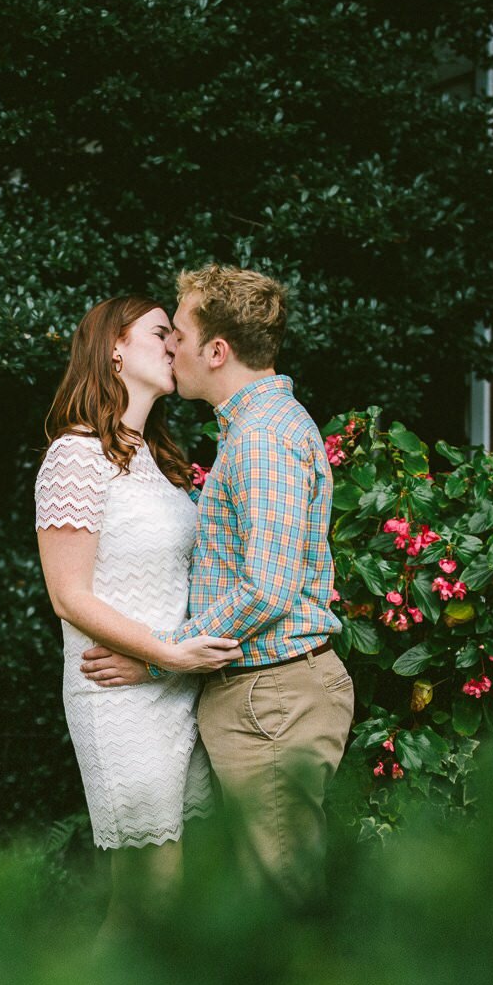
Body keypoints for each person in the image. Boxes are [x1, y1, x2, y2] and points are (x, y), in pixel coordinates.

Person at [81, 265, 352, 904]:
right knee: (269, 886)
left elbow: (267, 588)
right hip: (266, 696)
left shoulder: (261, 438)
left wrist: (159, 656)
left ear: (217, 351)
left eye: (177, 333)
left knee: (281, 893)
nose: (170, 344)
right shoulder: (254, 429)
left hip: (273, 695)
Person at [32, 294, 242, 931]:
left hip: (171, 684)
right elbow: (68, 595)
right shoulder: (75, 455)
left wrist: (170, 663)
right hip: (117, 693)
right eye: (162, 333)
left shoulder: (158, 458)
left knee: (185, 886)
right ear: (113, 348)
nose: (176, 346)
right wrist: (167, 652)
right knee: (149, 894)